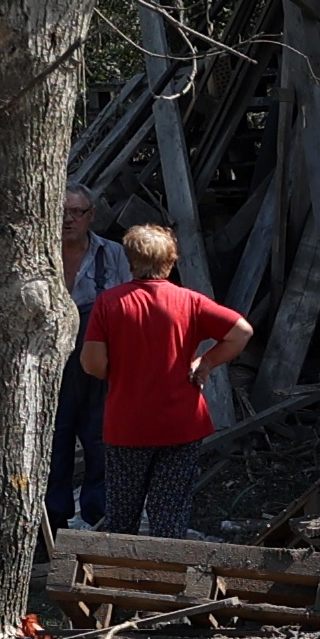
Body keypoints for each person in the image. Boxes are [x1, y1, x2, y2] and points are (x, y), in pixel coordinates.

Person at [80, 223, 248, 542]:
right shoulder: (191, 302)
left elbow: (92, 364)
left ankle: (121, 584)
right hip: (181, 425)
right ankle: (167, 581)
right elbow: (242, 332)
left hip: (127, 425)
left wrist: (121, 373)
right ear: (171, 262)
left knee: (121, 516)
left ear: (130, 261)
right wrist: (206, 362)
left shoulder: (110, 303)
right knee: (169, 516)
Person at [52, 184, 132, 528]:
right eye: (62, 212)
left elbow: (131, 307)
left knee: (101, 439)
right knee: (55, 440)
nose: (69, 220)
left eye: (77, 212)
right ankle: (52, 522)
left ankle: (99, 518)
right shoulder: (40, 256)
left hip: (99, 364)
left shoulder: (113, 255)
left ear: (91, 216)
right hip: (52, 365)